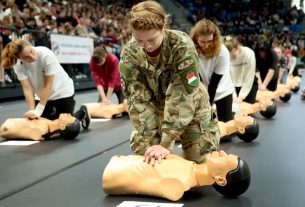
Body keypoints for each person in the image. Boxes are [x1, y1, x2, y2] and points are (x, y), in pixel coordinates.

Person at [119, 1, 220, 165]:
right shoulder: (130, 53)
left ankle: (207, 130)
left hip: (191, 106)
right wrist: (152, 142)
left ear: (163, 27)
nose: (146, 46)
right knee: (148, 157)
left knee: (200, 160)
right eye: (139, 41)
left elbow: (183, 96)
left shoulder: (181, 45)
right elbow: (138, 101)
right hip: (157, 109)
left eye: (152, 39)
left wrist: (166, 143)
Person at [1, 39, 90, 129]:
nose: (32, 57)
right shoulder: (18, 64)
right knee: (42, 127)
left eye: (31, 51)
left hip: (62, 92)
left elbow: (48, 86)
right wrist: (32, 111)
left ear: (30, 45)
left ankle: (82, 112)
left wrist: (39, 110)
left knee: (67, 127)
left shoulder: (46, 54)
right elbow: (27, 89)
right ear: (20, 58)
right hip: (41, 95)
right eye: (26, 57)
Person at [102, 150, 251, 201]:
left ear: (220, 180)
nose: (222, 152)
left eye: (226, 158)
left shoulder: (179, 184)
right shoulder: (189, 166)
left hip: (111, 174)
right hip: (119, 162)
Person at [190, 19, 234, 122]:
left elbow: (214, 84)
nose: (206, 45)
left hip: (222, 89)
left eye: (209, 41)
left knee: (227, 134)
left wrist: (208, 105)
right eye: (202, 42)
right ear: (196, 38)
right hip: (200, 87)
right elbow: (191, 76)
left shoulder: (222, 52)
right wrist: (198, 94)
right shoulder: (189, 50)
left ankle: (233, 111)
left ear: (214, 38)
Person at [223, 36, 258, 104]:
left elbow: (249, 77)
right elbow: (228, 78)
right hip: (233, 86)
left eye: (235, 51)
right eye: (231, 55)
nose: (235, 55)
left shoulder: (249, 53)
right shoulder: (224, 56)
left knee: (248, 110)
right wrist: (234, 96)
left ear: (238, 47)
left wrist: (241, 96)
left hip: (250, 85)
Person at [0, 113, 80, 141]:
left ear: (62, 126)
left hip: (6, 127)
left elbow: (5, 129)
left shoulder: (42, 130)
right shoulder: (50, 125)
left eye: (69, 118)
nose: (69, 114)